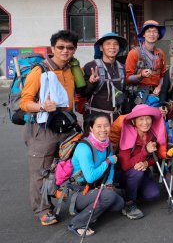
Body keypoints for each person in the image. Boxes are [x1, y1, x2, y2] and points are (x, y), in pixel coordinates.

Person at [20, 29, 80, 226]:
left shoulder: (70, 70)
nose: (65, 51)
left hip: (65, 126)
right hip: (42, 128)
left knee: (60, 168)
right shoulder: (40, 71)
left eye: (69, 48)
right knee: (40, 170)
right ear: (52, 48)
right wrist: (41, 106)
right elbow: (24, 102)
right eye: (60, 47)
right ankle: (42, 210)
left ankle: (54, 200)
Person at [67, 113, 123, 237]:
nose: (103, 130)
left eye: (106, 126)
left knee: (119, 203)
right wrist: (108, 161)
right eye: (99, 126)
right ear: (91, 128)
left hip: (93, 188)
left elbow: (111, 167)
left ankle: (93, 210)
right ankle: (77, 223)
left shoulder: (107, 143)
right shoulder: (84, 148)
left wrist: (108, 183)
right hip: (77, 192)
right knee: (109, 196)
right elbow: (90, 177)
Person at [118, 104, 167, 220]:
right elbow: (125, 166)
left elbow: (157, 156)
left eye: (148, 118)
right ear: (134, 122)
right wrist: (145, 152)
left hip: (140, 172)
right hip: (123, 175)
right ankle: (129, 204)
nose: (145, 122)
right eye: (141, 119)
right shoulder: (127, 136)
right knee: (136, 172)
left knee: (153, 194)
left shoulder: (152, 135)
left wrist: (146, 163)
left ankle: (131, 191)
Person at [82, 33, 128, 124]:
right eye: (108, 44)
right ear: (101, 48)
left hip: (117, 119)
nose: (112, 47)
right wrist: (91, 82)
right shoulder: (91, 66)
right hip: (95, 120)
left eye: (115, 44)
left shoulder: (122, 68)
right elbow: (83, 93)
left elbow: (124, 93)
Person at [125, 20, 167, 105]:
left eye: (155, 31)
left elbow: (163, 75)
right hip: (138, 95)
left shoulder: (161, 53)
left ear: (158, 35)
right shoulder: (134, 53)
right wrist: (141, 76)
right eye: (148, 31)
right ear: (144, 34)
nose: (152, 34)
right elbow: (128, 78)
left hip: (155, 95)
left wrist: (159, 86)